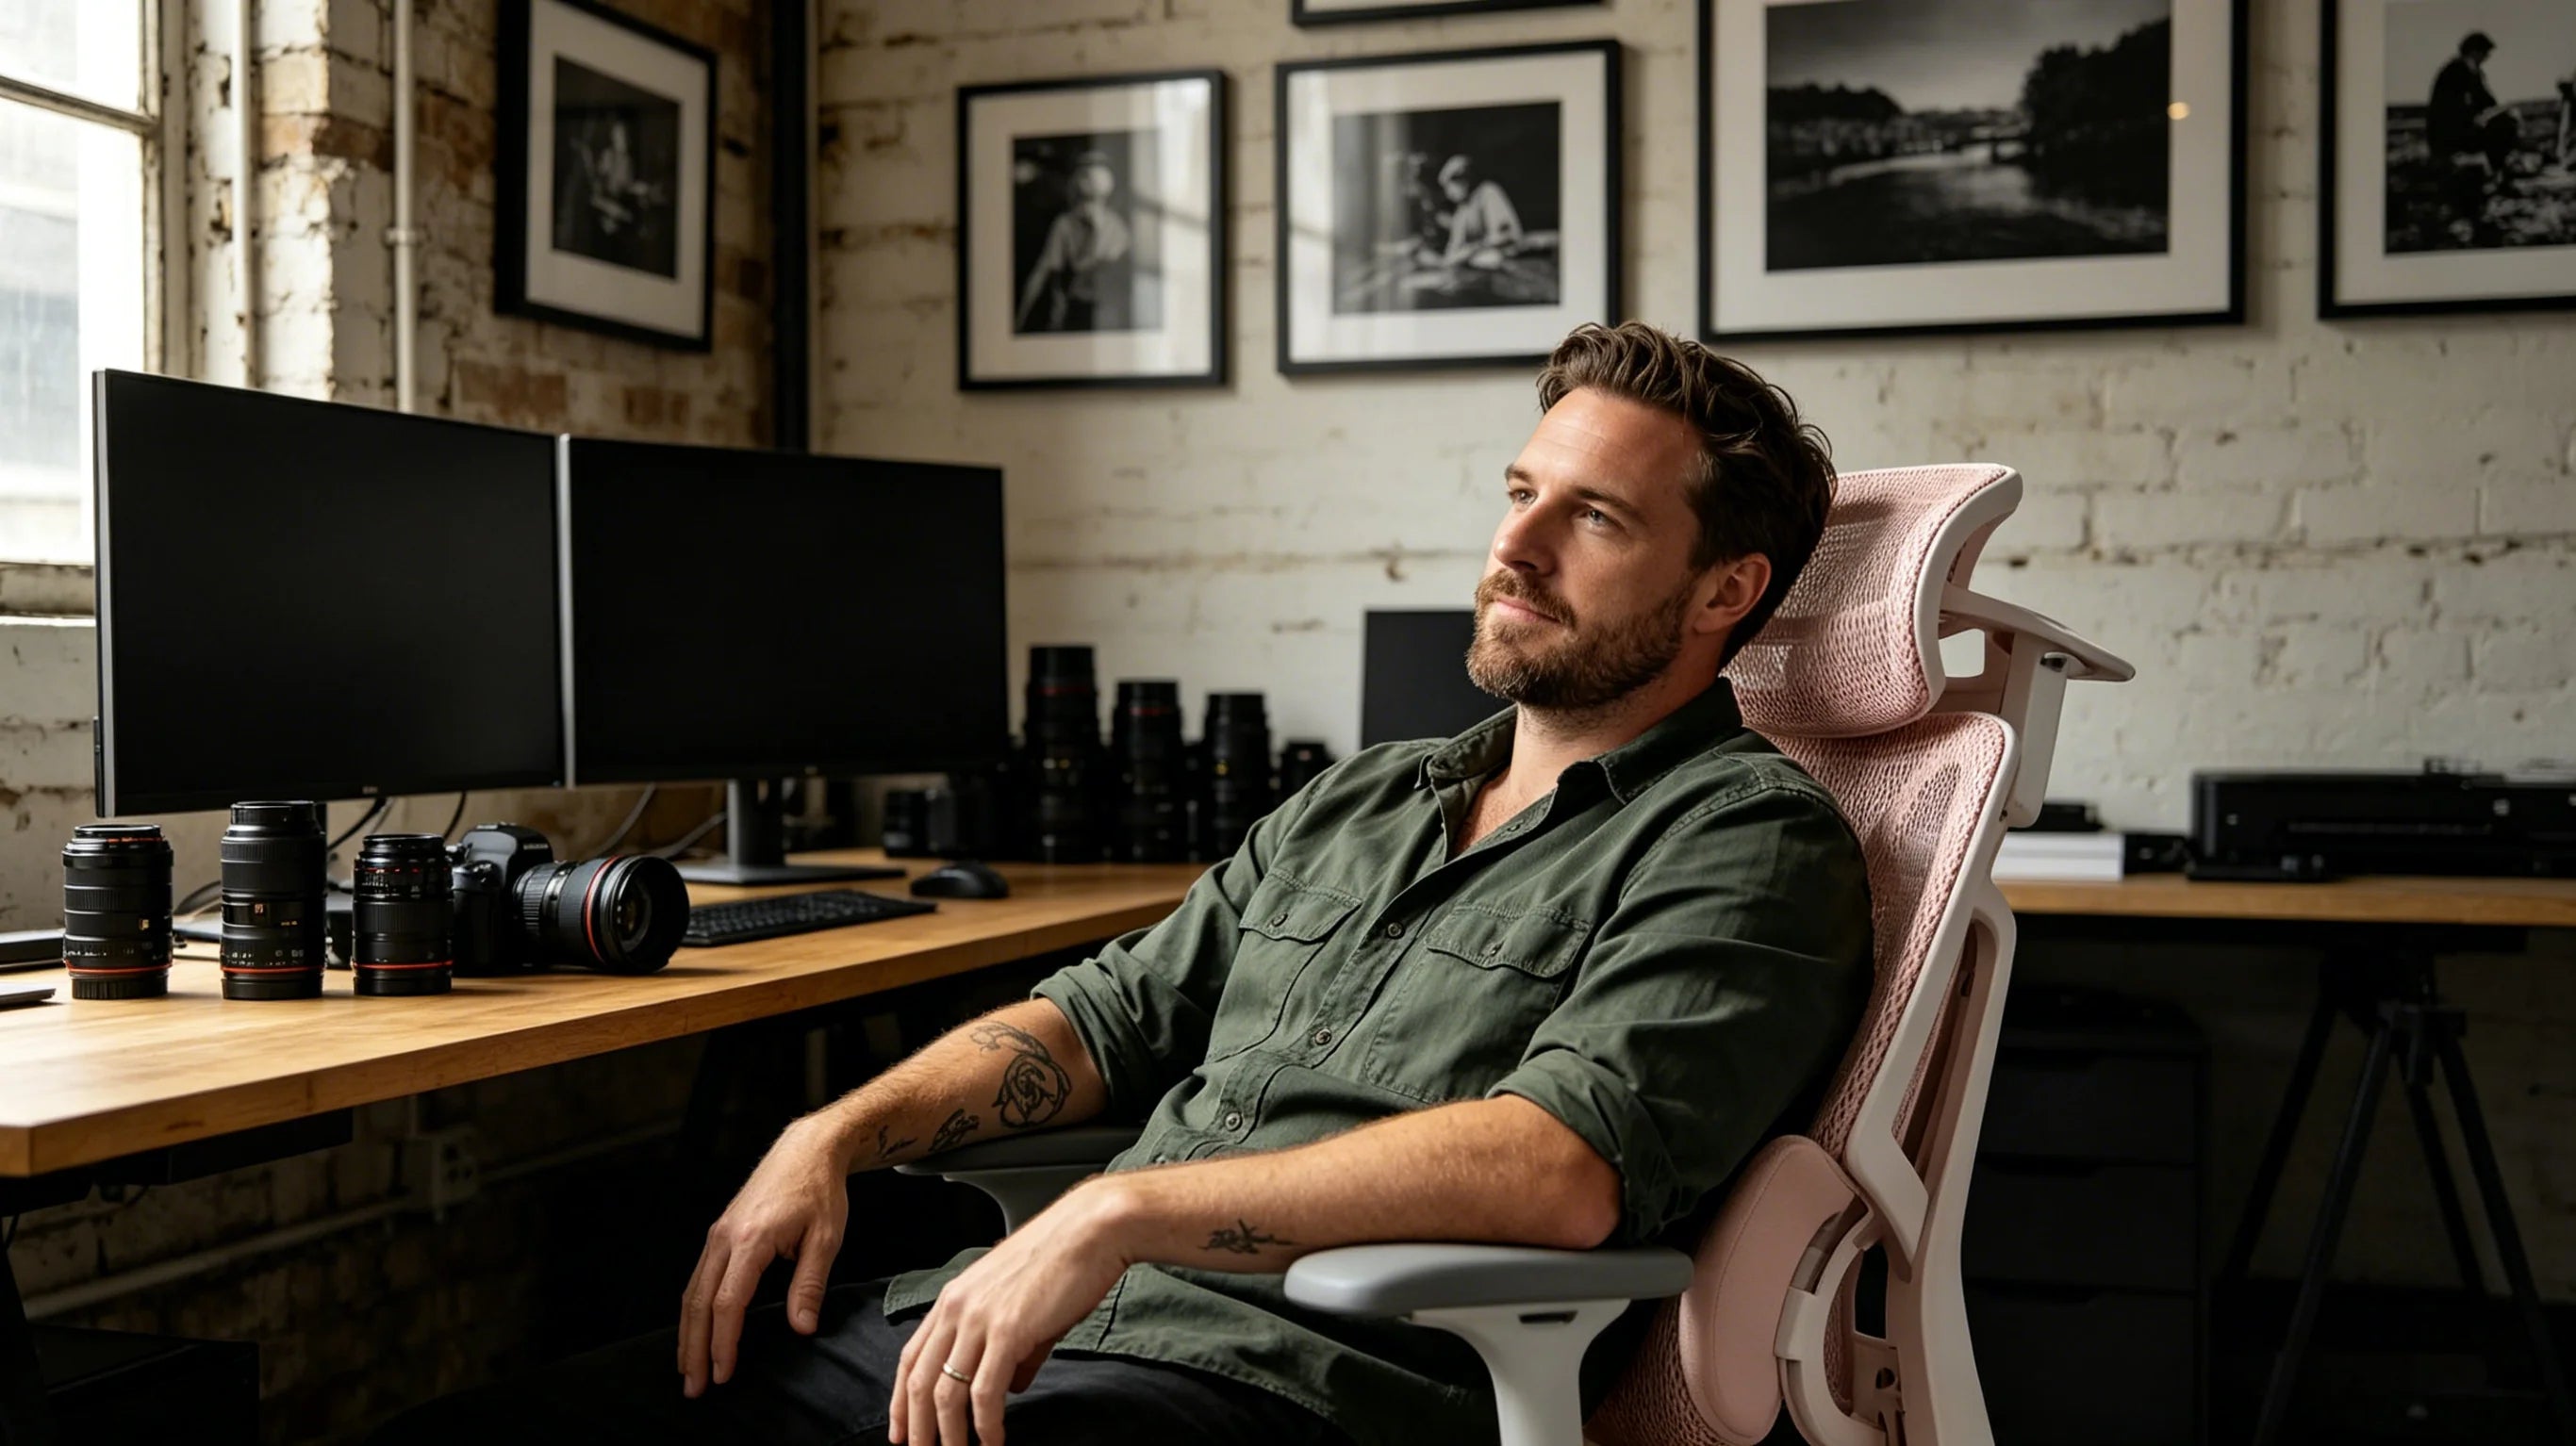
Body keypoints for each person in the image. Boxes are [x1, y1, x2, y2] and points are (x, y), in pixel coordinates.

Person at [371, 321, 1874, 1446]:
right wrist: (835, 1128)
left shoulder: (1745, 838)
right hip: (1006, 1332)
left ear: (1725, 592)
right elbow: (1100, 1018)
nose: (1513, 546)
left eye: (1592, 518)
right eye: (1519, 491)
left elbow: (1559, 1167)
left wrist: (1123, 1211)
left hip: (1282, 1390)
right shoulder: (1368, 794)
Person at [1015, 150, 1133, 333]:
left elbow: (1111, 268)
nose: (1089, 182)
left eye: (1094, 177)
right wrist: (1020, 319)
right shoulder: (1064, 224)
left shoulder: (1117, 227)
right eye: (1085, 176)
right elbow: (1045, 271)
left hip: (1107, 313)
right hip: (1074, 311)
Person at [2428, 32, 2522, 191]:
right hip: (2447, 135)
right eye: (2485, 52)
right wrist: (2481, 118)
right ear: (2473, 51)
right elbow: (2450, 110)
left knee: (2506, 121)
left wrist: (2502, 111)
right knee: (2503, 126)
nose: (2486, 57)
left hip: (2461, 129)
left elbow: (2487, 102)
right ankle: (2495, 175)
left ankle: (2497, 174)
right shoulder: (2454, 71)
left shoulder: (2474, 72)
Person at [1433, 154, 1527, 269]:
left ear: (1464, 181)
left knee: (1490, 258)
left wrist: (1471, 250)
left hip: (1506, 257)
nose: (1448, 193)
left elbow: (1504, 237)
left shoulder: (1487, 192)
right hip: (1476, 261)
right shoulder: (1462, 209)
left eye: (1450, 186)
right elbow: (1452, 251)